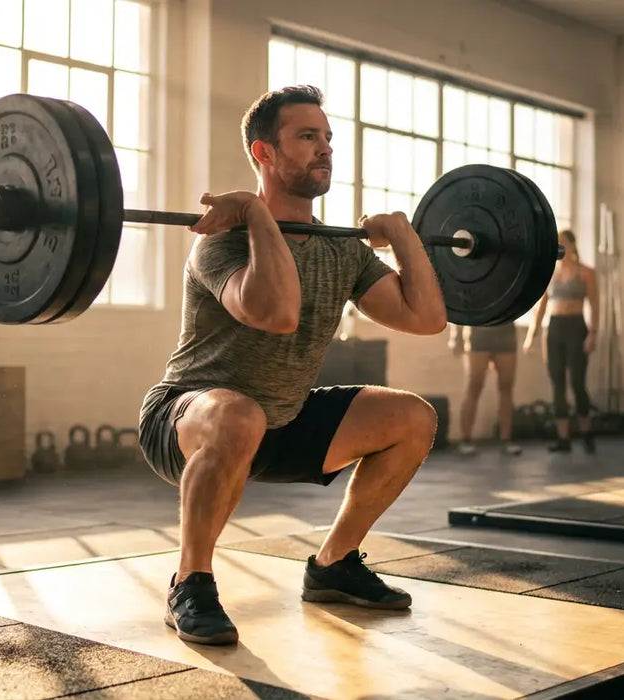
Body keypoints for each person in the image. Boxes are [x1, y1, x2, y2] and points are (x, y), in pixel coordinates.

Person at [139, 85, 447, 646]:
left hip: (280, 419)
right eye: (307, 137)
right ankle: (191, 581)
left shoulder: (342, 249)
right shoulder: (221, 242)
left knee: (413, 418)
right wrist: (257, 213)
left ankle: (334, 564)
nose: (325, 149)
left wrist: (404, 238)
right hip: (186, 418)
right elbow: (277, 313)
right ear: (264, 153)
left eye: (327, 138)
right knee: (238, 415)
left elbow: (425, 318)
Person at [523, 229, 599, 453]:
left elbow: (595, 304)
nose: (561, 247)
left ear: (573, 246)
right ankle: (563, 438)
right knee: (557, 383)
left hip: (576, 327)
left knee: (577, 381)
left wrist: (593, 333)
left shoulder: (586, 273)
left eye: (564, 243)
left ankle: (586, 432)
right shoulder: (550, 273)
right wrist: (531, 337)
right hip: (554, 328)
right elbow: (541, 309)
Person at [448, 323, 522, 456]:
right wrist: (456, 336)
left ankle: (506, 439)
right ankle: (465, 439)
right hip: (479, 335)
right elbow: (462, 305)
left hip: (506, 335)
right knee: (474, 386)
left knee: (506, 388)